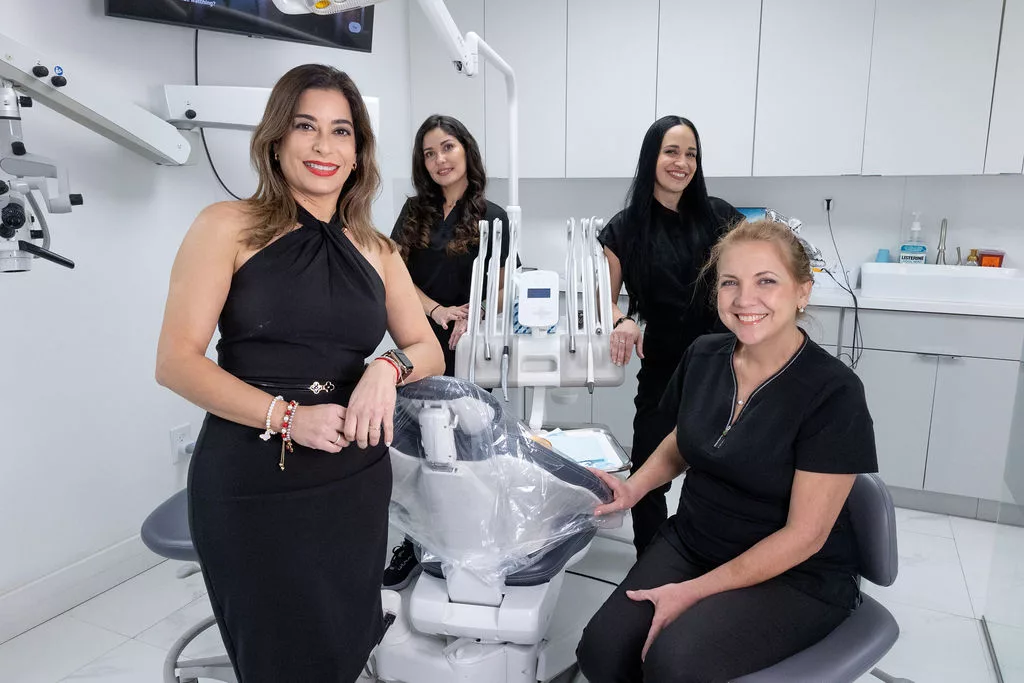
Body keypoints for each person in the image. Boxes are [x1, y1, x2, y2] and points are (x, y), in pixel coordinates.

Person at [155, 64, 444, 682]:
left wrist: (385, 370)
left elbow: (427, 346)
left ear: (358, 151)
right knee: (277, 659)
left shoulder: (376, 247)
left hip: (352, 482)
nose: (323, 146)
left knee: (342, 647)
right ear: (277, 140)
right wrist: (286, 417)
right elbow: (176, 361)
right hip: (254, 482)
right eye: (305, 126)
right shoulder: (225, 226)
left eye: (341, 131)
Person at [576, 219, 878, 682]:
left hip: (796, 574)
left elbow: (805, 537)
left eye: (767, 282)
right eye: (730, 283)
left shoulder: (833, 392)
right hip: (696, 541)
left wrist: (694, 592)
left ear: (803, 292)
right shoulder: (704, 355)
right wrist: (633, 489)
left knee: (672, 664)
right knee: (601, 652)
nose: (744, 299)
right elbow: (685, 439)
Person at [599, 115, 744, 555]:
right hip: (663, 367)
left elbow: (759, 268)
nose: (682, 163)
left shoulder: (720, 217)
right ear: (651, 158)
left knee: (724, 473)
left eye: (691, 154)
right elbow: (604, 300)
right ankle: (650, 561)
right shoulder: (623, 229)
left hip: (728, 364)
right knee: (646, 474)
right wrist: (622, 319)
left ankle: (718, 560)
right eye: (672, 152)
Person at [383, 115, 511, 590]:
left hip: (470, 346)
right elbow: (393, 277)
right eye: (430, 152)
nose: (439, 159)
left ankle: (471, 539)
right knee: (419, 449)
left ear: (466, 152)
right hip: (419, 340)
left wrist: (471, 317)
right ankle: (416, 544)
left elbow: (503, 286)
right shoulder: (413, 212)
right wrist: (437, 311)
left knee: (468, 446)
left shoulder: (492, 215)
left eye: (448, 147)